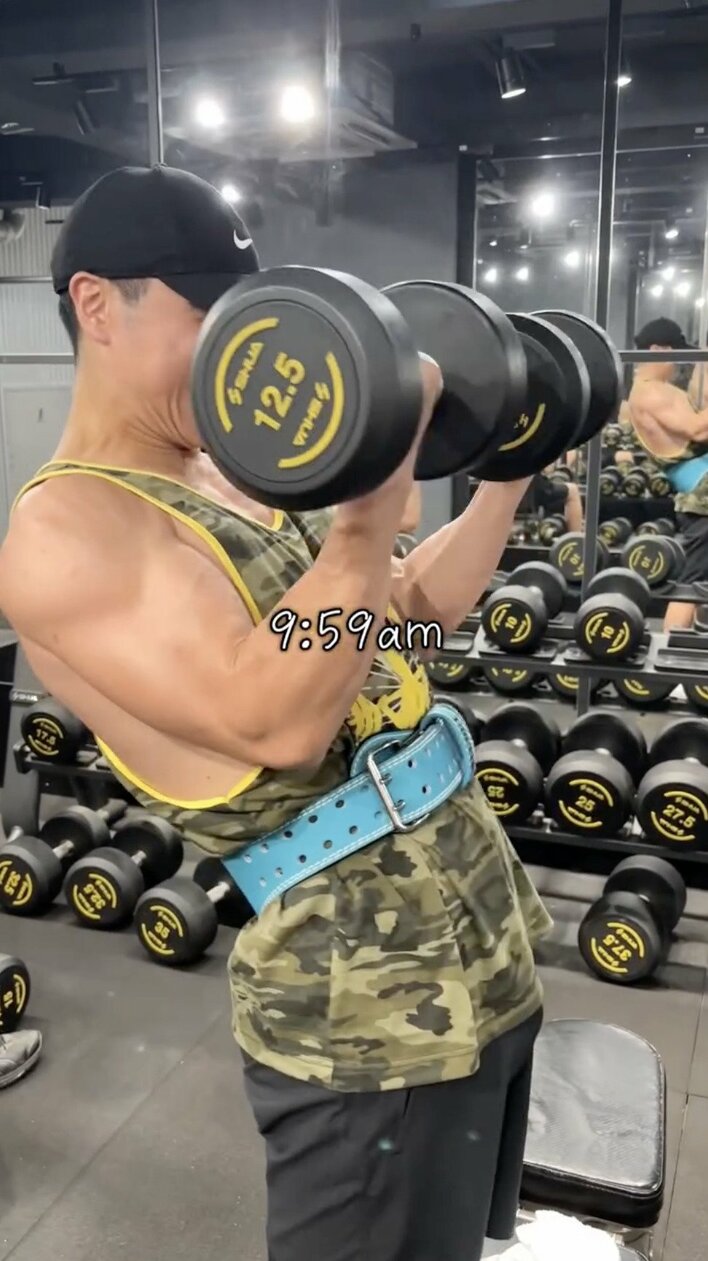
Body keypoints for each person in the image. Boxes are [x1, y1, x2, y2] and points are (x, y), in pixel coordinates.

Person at [0, 164, 551, 1261]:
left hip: (479, 941)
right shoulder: (64, 535)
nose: (236, 347)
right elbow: (276, 719)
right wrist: (369, 507)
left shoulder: (233, 473)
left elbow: (403, 614)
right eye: (209, 313)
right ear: (98, 305)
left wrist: (508, 467)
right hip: (365, 1011)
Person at [625, 317, 708, 629]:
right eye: (676, 354)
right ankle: (669, 649)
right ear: (658, 350)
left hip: (699, 491)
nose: (677, 364)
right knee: (692, 586)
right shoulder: (651, 393)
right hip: (701, 497)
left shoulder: (659, 390)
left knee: (696, 584)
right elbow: (698, 429)